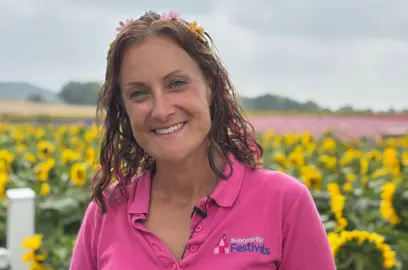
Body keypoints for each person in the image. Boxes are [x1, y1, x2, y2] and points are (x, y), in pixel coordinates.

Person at [70, 10, 336, 270]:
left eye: (176, 84)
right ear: (124, 109)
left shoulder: (284, 203)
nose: (161, 111)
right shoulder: (105, 212)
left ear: (211, 87)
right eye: (139, 93)